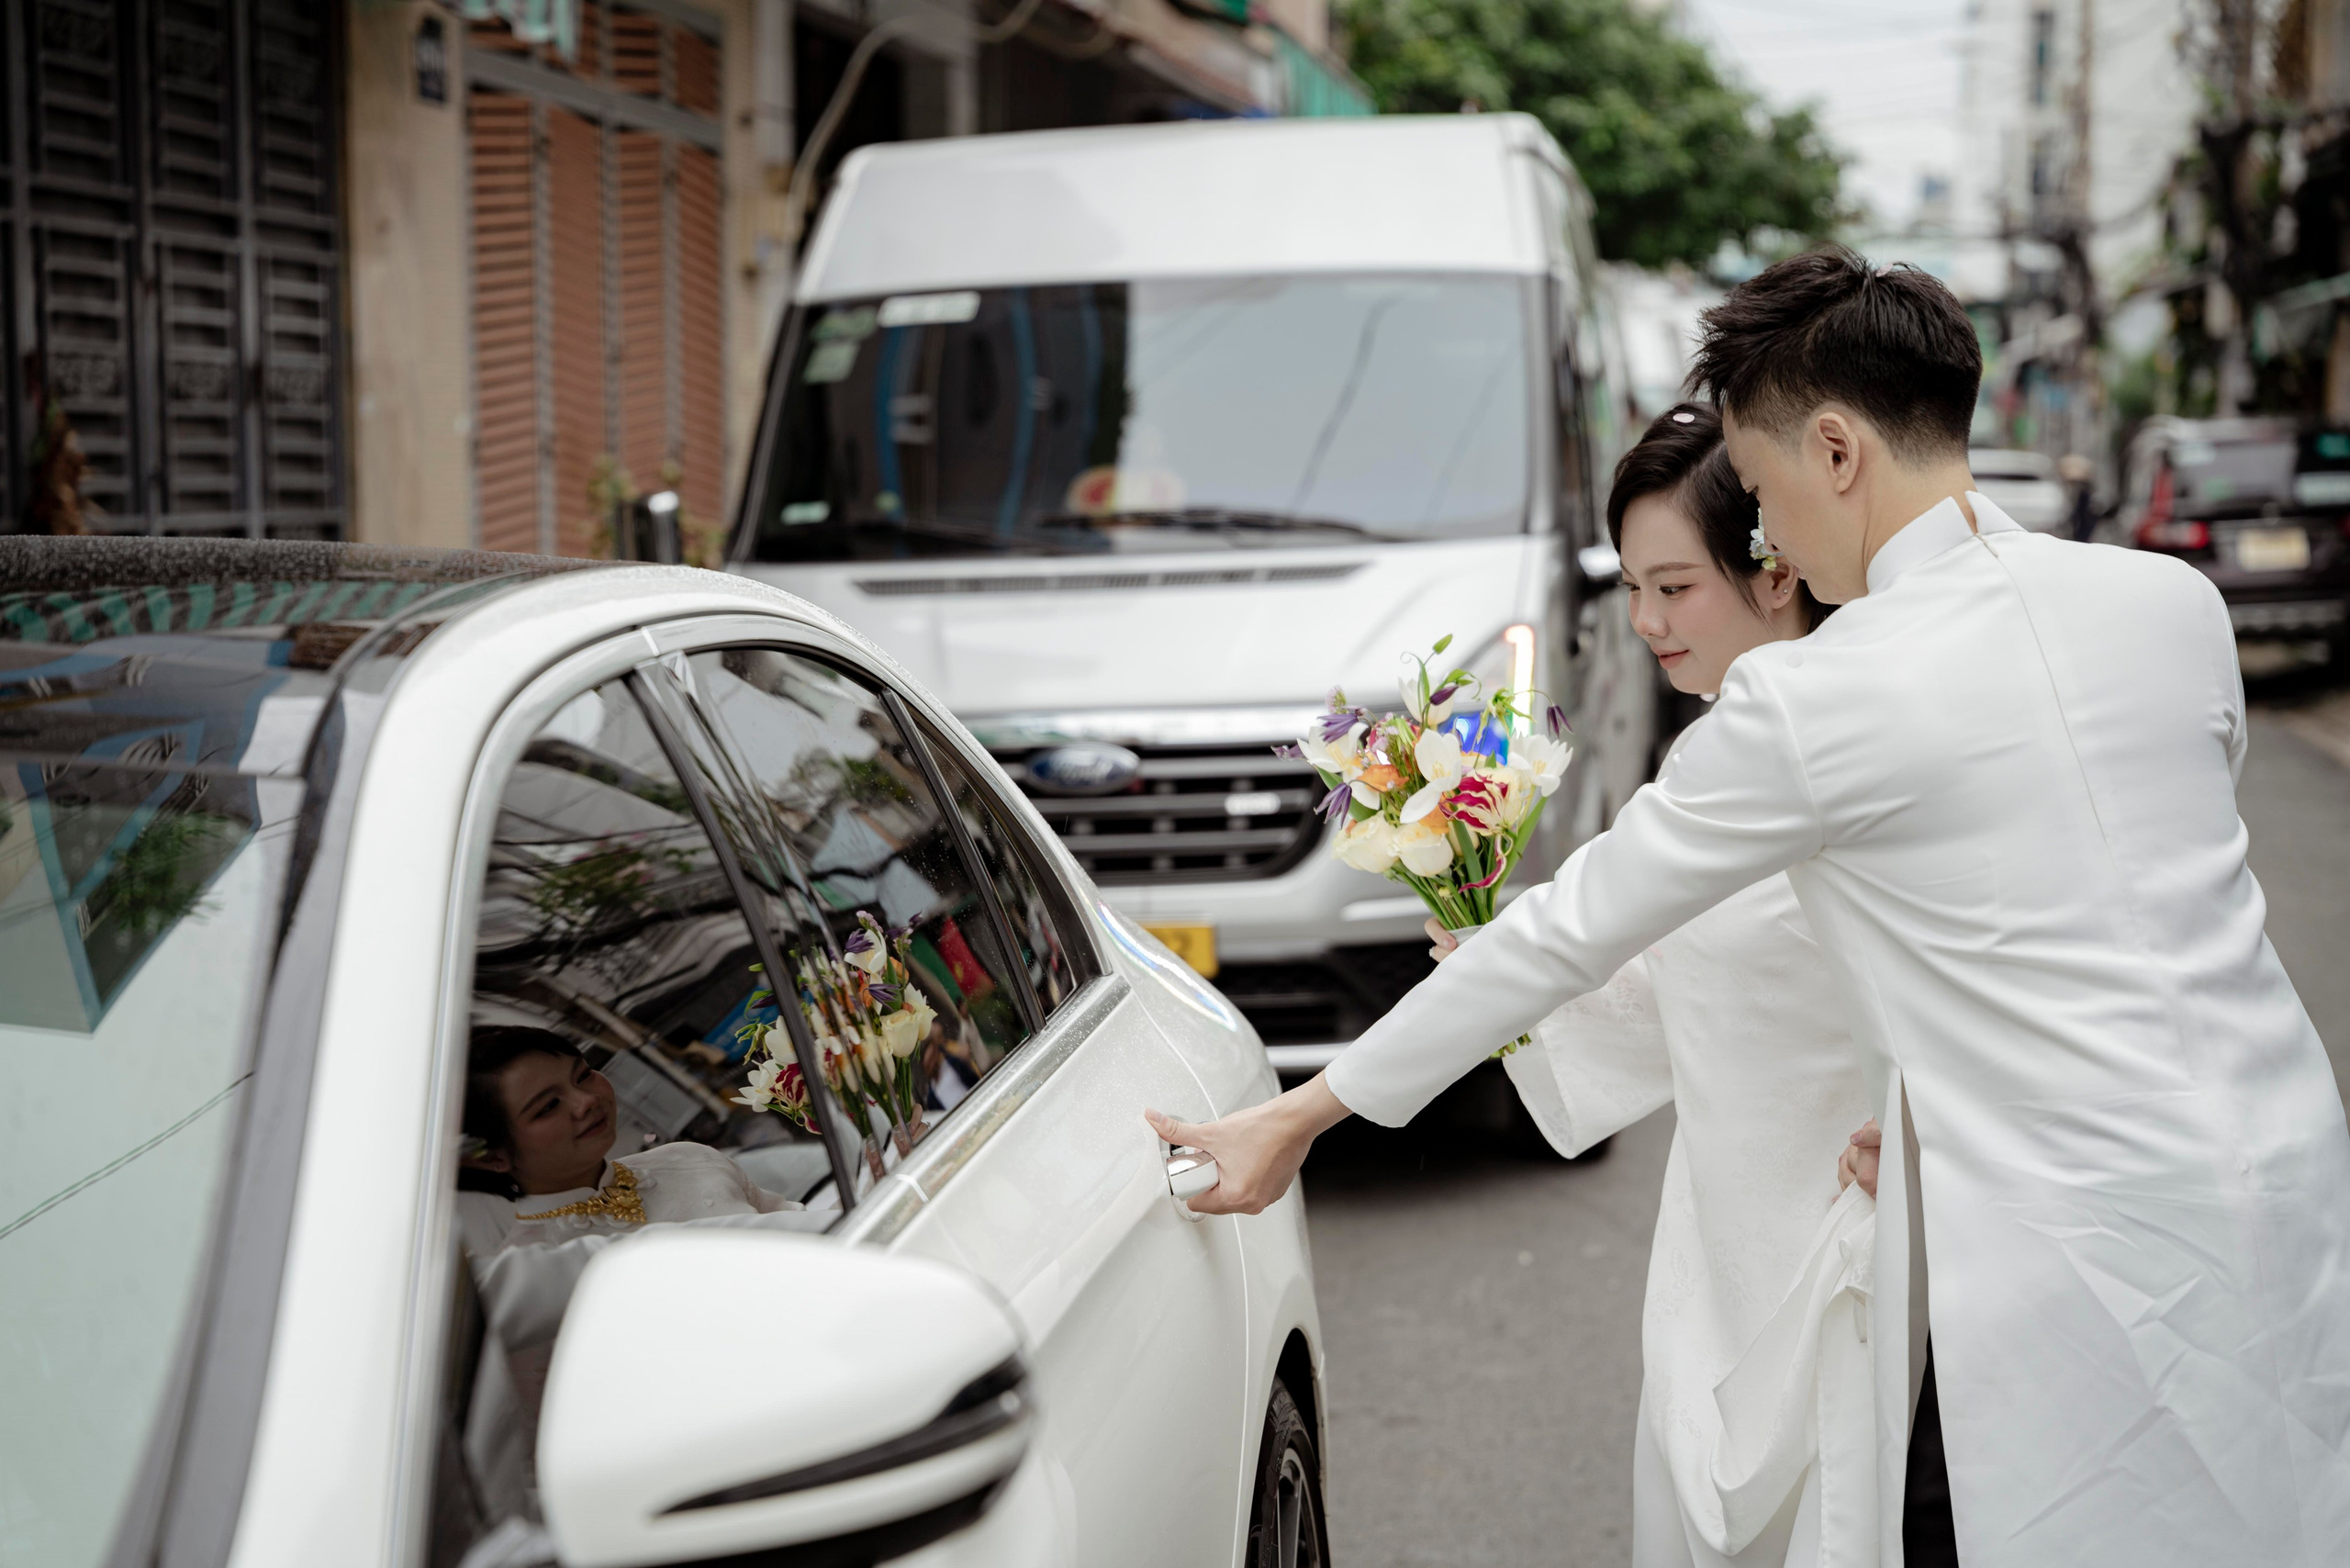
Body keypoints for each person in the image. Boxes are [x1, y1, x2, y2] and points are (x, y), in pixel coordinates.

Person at [1147, 248, 2350, 1565]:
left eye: (1765, 492)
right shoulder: (2170, 603)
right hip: (2289, 1177)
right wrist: (1920, 1098)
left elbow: (1571, 923)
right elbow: (2136, 909)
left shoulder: (1820, 698)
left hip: (2074, 1269)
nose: (1768, 537)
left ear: (1837, 450)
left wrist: (1301, 1115)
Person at [1449, 402, 1878, 1566]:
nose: (1641, 622)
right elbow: (1656, 979)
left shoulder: (1868, 738)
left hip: (1860, 1219)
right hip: (1721, 1226)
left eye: (1673, 587)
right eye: (1632, 588)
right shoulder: (1697, 758)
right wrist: (1492, 962)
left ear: (1775, 566)